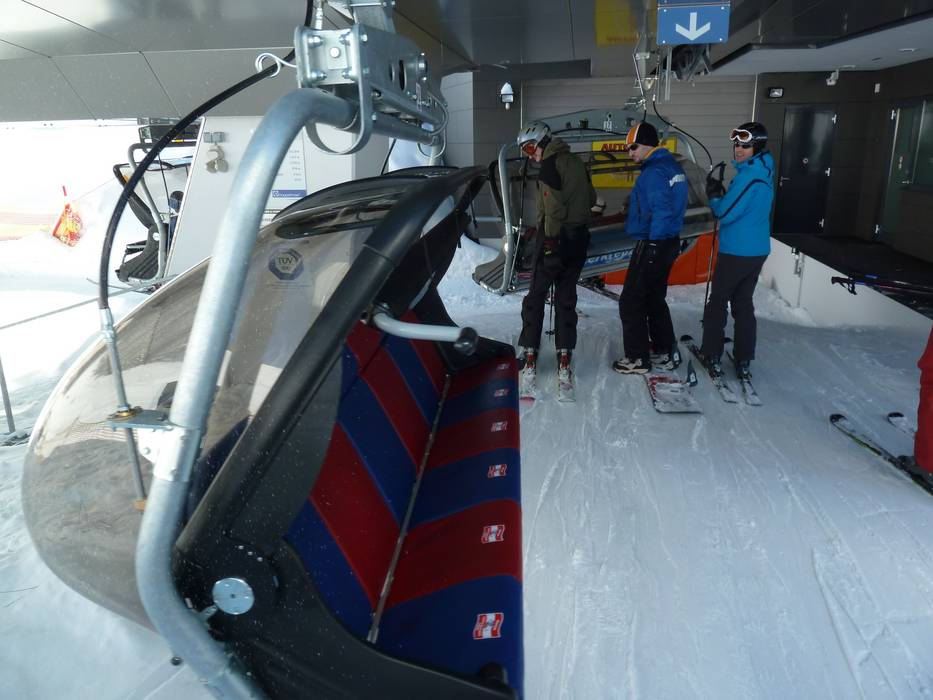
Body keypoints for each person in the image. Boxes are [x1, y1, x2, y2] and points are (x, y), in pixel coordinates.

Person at [516, 120, 597, 397]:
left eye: (530, 148)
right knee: (565, 296)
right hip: (578, 240)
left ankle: (530, 349)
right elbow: (591, 198)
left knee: (536, 296)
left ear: (542, 142)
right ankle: (564, 352)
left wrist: (549, 246)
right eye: (526, 152)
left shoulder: (549, 167)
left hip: (555, 239)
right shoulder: (576, 162)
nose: (530, 156)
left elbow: (553, 211)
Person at [699, 122, 775, 379]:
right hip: (756, 249)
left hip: (738, 251)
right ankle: (744, 357)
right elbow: (743, 206)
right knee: (743, 302)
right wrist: (725, 194)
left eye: (746, 146)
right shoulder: (764, 170)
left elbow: (724, 213)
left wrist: (714, 196)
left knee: (718, 302)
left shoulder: (748, 177)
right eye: (737, 145)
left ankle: (711, 353)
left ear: (757, 147)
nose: (739, 150)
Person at [612, 121, 688, 374]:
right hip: (668, 240)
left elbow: (661, 209)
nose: (629, 153)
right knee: (654, 298)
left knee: (631, 301)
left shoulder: (654, 171)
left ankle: (637, 358)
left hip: (654, 241)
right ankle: (665, 350)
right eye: (627, 148)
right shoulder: (669, 165)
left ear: (646, 145)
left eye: (633, 147)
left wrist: (653, 244)